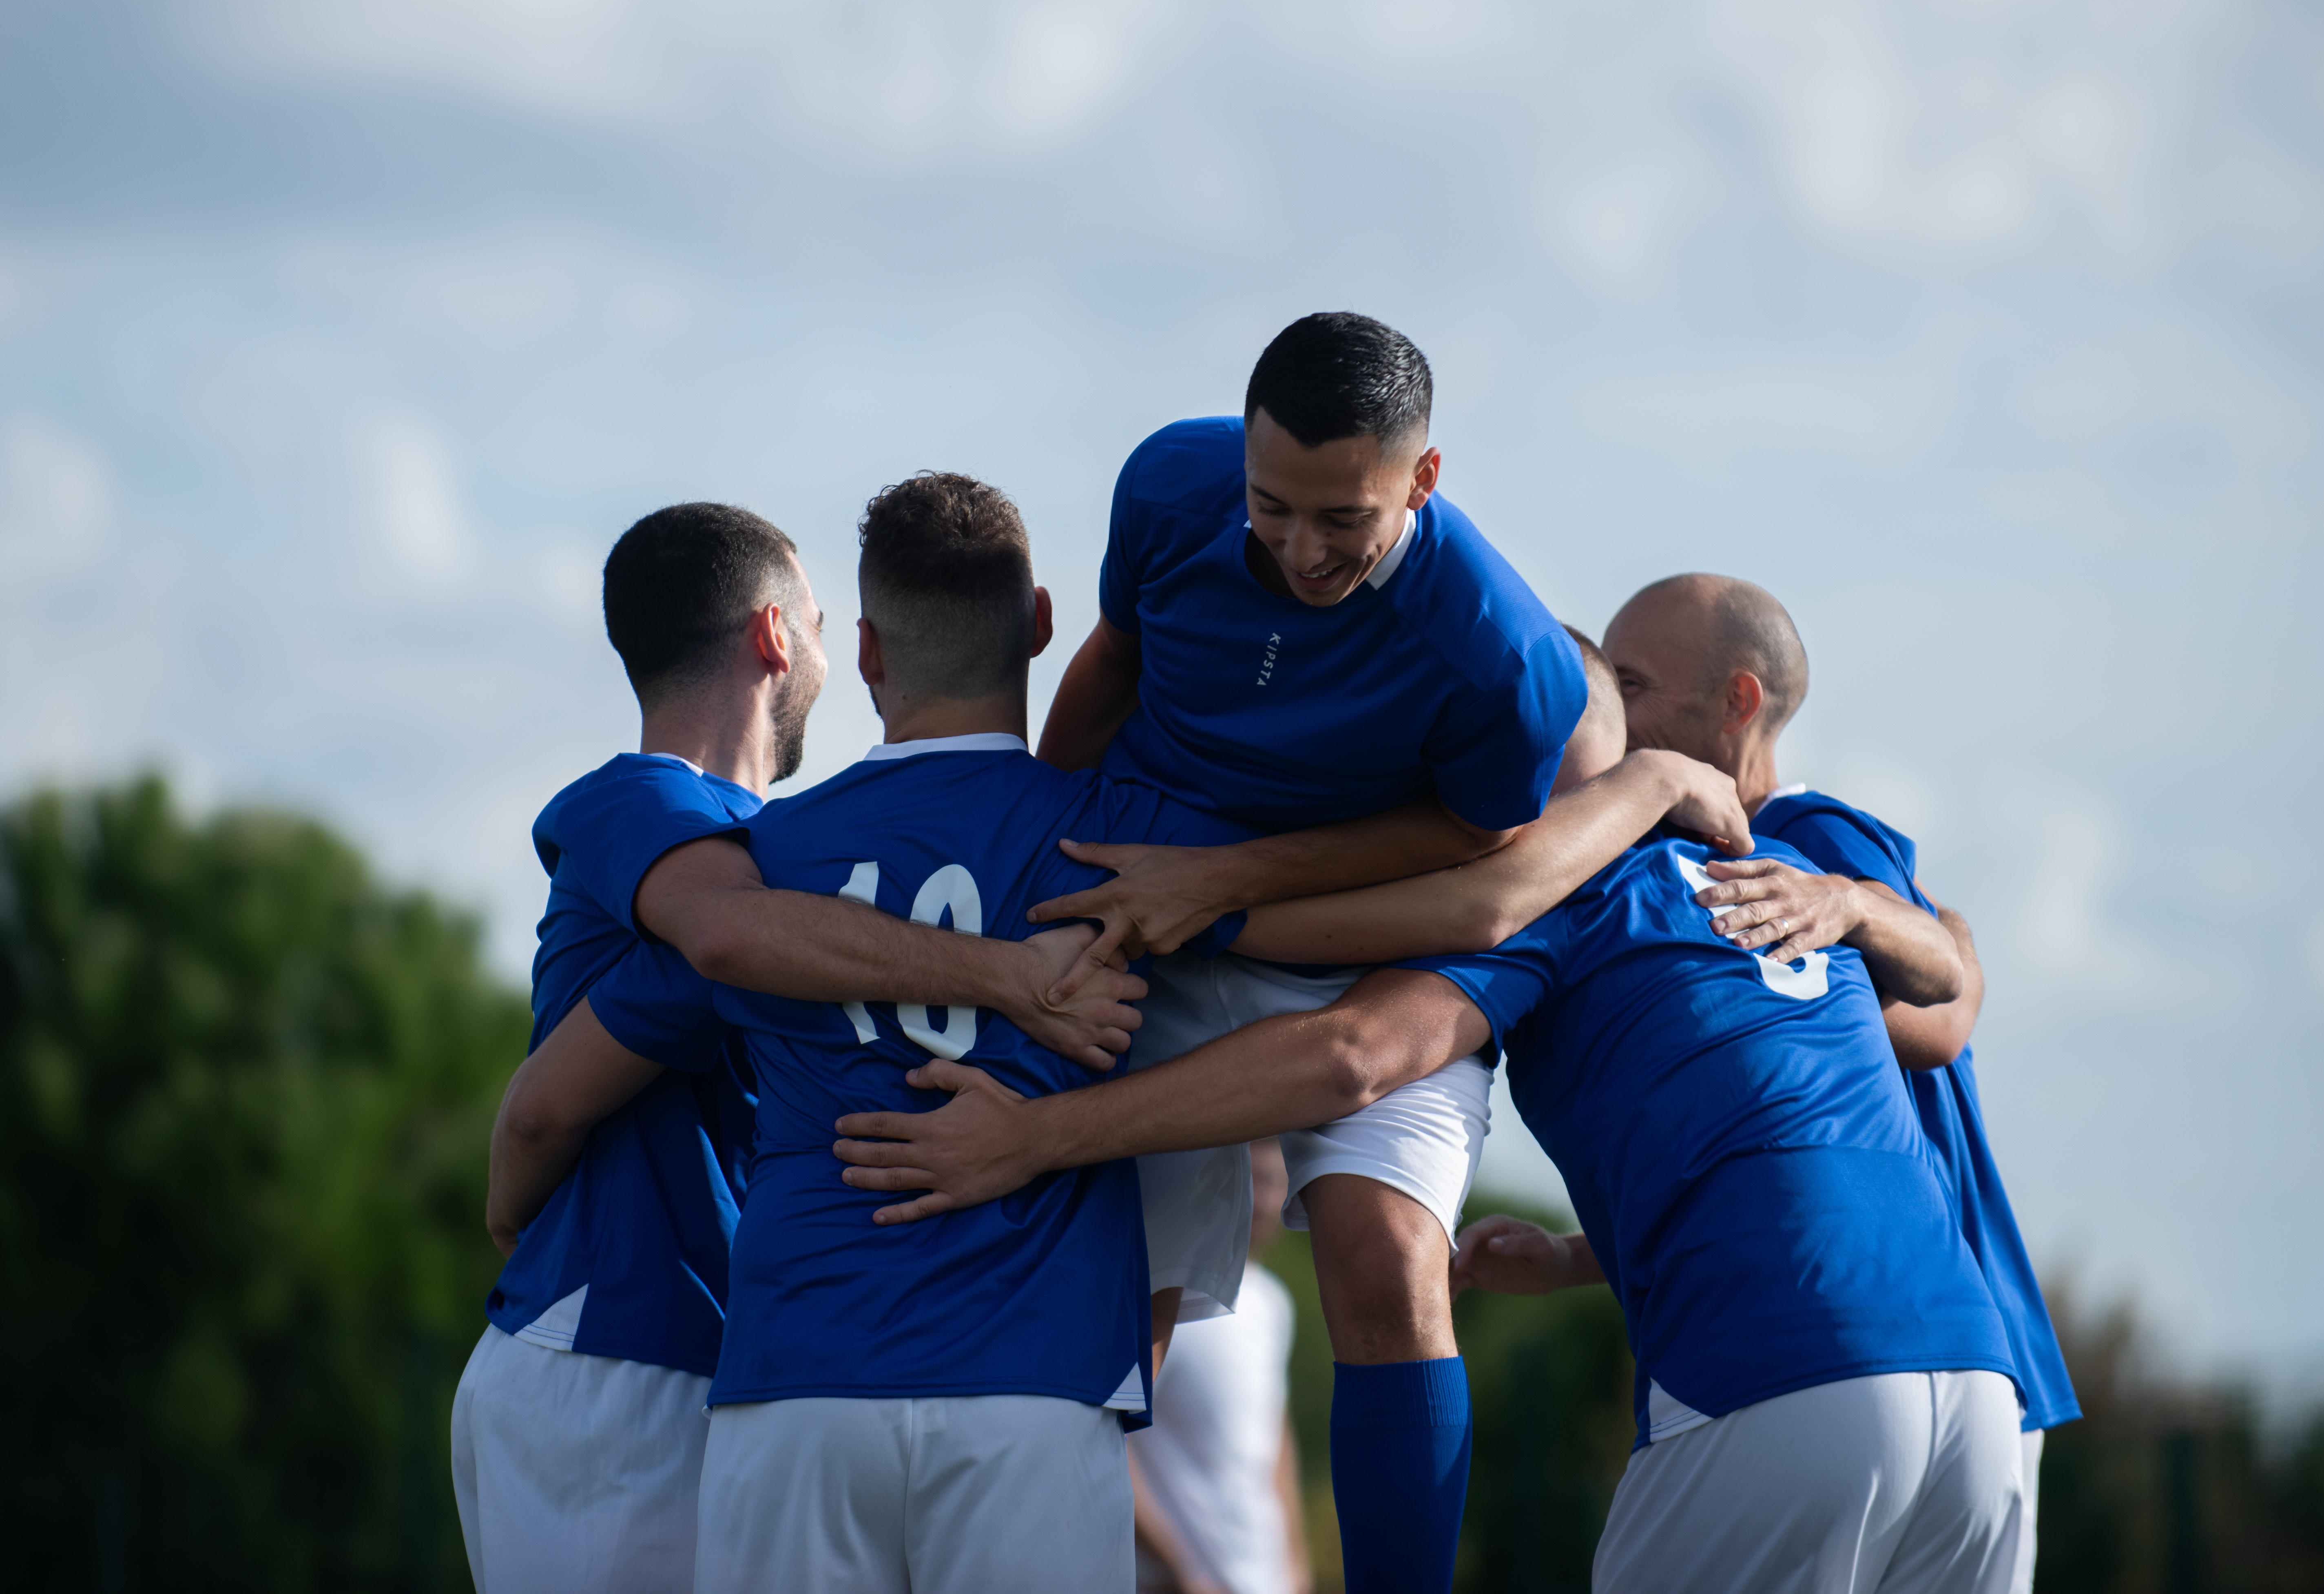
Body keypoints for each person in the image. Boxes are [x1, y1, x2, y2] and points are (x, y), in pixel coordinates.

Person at [491, 478, 1742, 1592]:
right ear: (1037, 621)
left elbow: (587, 1065)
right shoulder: (1124, 832)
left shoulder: (767, 857)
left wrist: (511, 1181)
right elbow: (1419, 862)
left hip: (793, 1384)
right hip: (1032, 1392)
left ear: (868, 648)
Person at [836, 646, 2025, 1592]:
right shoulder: (1786, 882)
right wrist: (1576, 1252)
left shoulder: (1574, 899)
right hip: (1974, 1386)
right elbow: (1911, 1028)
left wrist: (1047, 1121)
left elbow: (1354, 1048)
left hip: (1777, 1379)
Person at [1025, 312, 1748, 1592]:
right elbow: (1109, 668)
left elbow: (1466, 859)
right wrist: (1034, 860)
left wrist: (1233, 881)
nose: (1301, 548)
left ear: (1422, 479)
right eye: (1271, 506)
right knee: (1107, 1287)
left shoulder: (1504, 659)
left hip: (1365, 945)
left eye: (1341, 522)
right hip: (1151, 905)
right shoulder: (1165, 484)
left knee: (1386, 1258)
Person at [451, 502, 1147, 1594]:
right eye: (821, 618)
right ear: (778, 638)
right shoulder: (661, 813)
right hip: (612, 1344)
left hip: (696, 1351)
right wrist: (1020, 976)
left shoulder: (780, 847)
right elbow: (674, 990)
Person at [1603, 572, 2081, 1594]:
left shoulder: (1809, 839)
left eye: (1632, 683)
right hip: (1927, 1344)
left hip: (1915, 1335)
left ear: (1738, 704)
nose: (1610, 710)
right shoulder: (1717, 863)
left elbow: (1941, 1027)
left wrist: (1874, 913)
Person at [1131, 1139, 1310, 1594]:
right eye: (1252, 1180)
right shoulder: (1167, 1296)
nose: (1264, 1201)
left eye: (1274, 1183)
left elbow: (1275, 1442)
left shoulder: (1274, 1303)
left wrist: (1296, 1567)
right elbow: (1113, 1441)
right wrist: (1176, 1569)